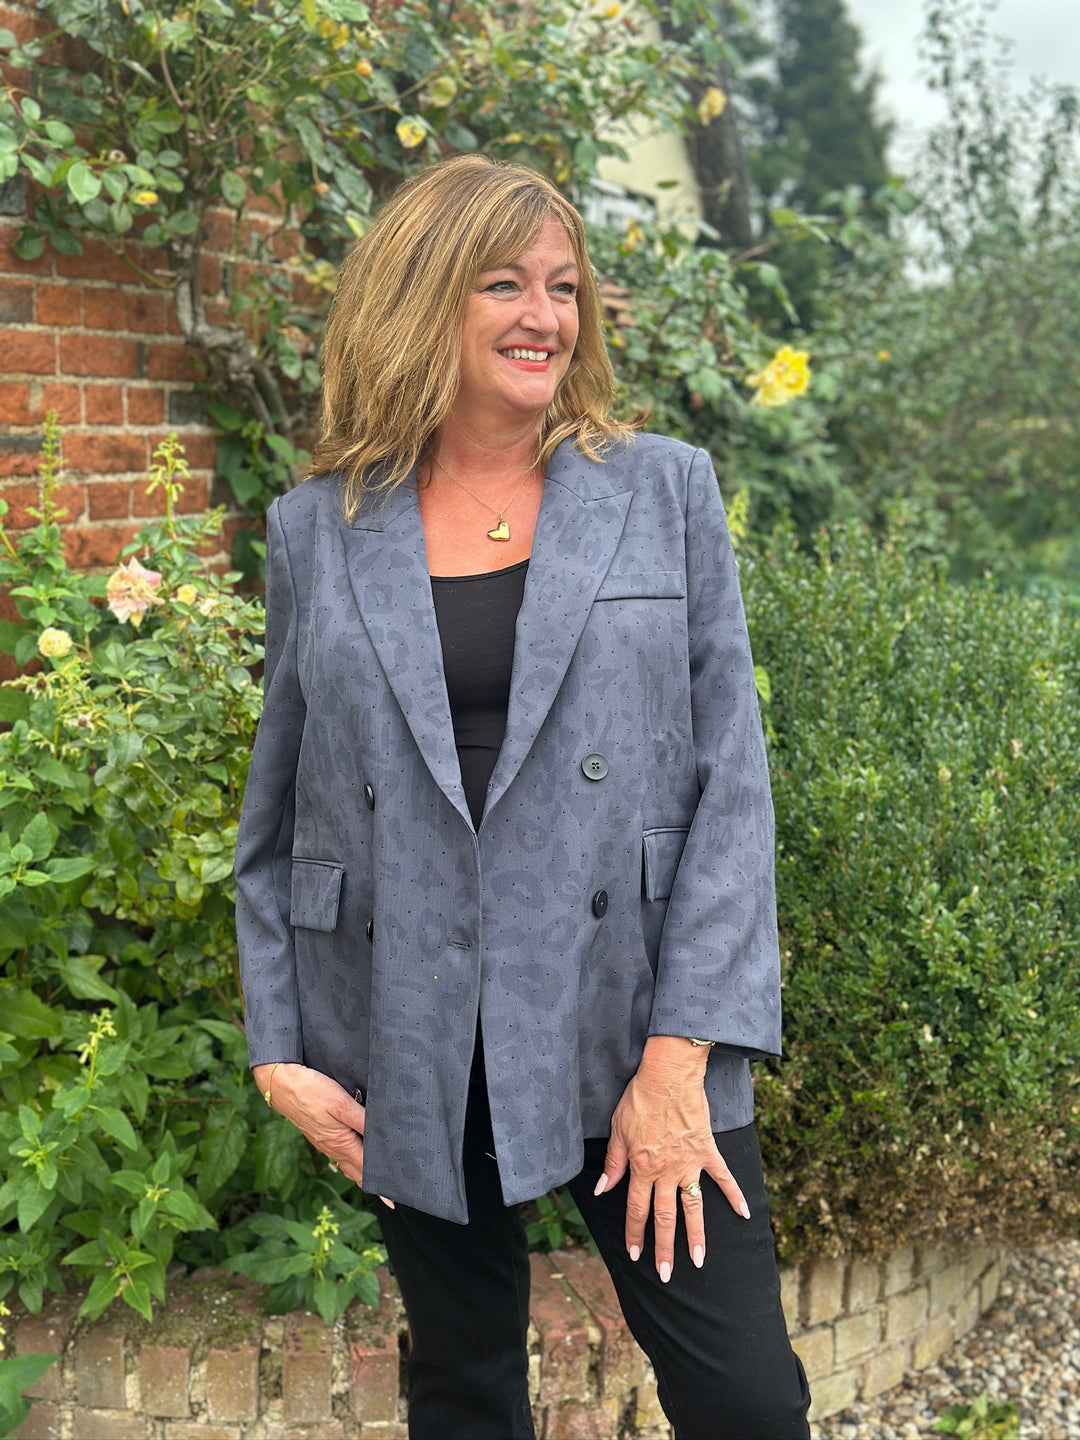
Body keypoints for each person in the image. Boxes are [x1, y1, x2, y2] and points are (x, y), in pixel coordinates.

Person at [235, 153, 810, 1440]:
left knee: (747, 1404)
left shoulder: (662, 490)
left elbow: (730, 787)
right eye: (503, 284)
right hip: (412, 1026)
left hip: (630, 1021)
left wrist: (680, 1059)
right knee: (463, 1393)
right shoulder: (318, 527)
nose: (544, 315)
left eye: (562, 285)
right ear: (421, 297)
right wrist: (278, 1049)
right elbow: (278, 813)